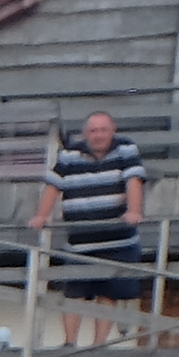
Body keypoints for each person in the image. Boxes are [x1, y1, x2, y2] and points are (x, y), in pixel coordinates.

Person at [39, 109, 152, 341]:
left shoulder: (125, 148)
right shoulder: (70, 154)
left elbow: (134, 181)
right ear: (85, 134)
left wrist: (134, 211)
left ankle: (98, 345)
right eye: (93, 130)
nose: (98, 135)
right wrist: (41, 216)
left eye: (103, 130)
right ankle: (69, 343)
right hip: (80, 242)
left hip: (118, 239)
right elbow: (53, 185)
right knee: (74, 294)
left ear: (113, 130)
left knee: (108, 294)